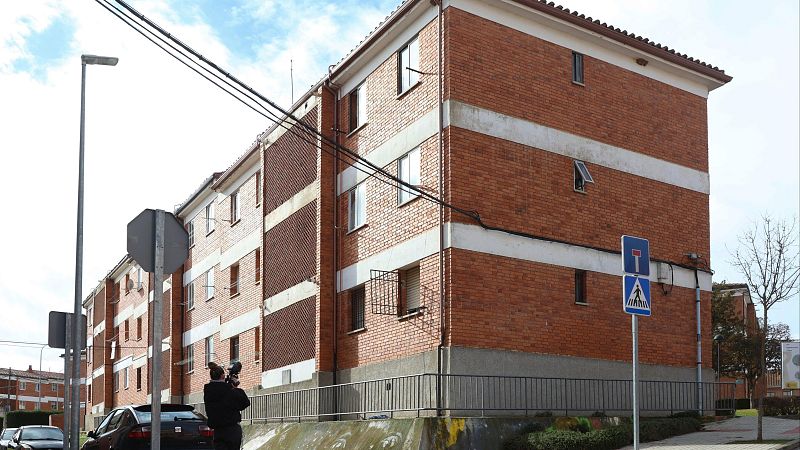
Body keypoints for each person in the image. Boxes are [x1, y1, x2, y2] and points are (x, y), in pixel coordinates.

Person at [203, 362, 250, 450]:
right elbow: (245, 402)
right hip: (232, 430)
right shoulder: (228, 390)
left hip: (217, 431)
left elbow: (219, 389)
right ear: (222, 376)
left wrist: (230, 386)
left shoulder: (208, 391)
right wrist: (235, 388)